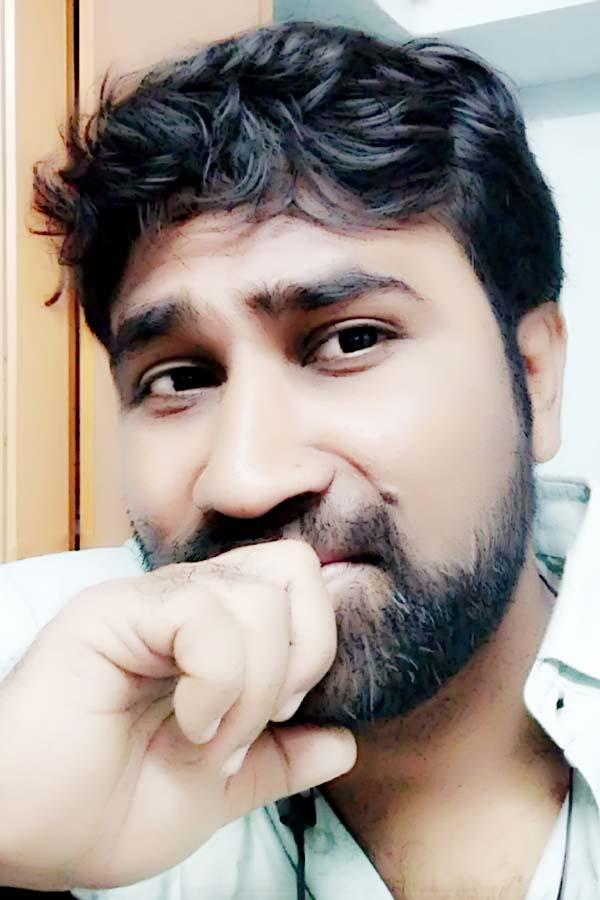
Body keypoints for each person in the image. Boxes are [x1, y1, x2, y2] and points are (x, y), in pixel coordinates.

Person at [0, 19, 597, 900]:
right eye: (179, 378)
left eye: (351, 340)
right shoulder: (28, 678)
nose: (246, 480)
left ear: (535, 378)